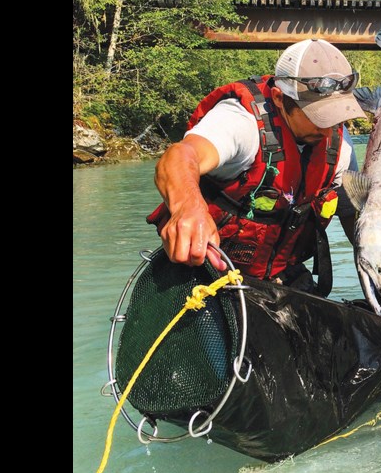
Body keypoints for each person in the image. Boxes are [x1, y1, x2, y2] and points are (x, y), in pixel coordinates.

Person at [147, 38, 366, 295]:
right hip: (204, 274)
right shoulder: (240, 122)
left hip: (283, 276)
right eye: (318, 117)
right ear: (279, 98)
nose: (329, 128)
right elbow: (178, 157)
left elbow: (349, 212)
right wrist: (188, 208)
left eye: (336, 116)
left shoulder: (339, 145)